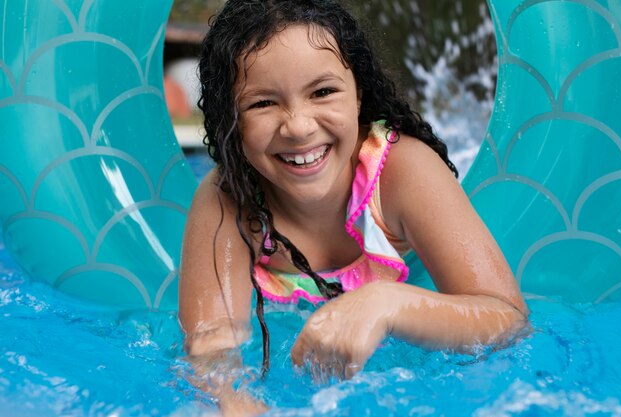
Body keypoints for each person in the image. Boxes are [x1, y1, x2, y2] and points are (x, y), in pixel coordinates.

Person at [179, 0, 529, 415]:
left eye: (323, 92)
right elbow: (211, 343)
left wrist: (387, 304)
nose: (299, 126)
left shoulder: (401, 171)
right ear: (230, 120)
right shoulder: (229, 200)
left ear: (358, 95)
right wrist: (236, 400)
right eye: (263, 104)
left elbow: (505, 317)